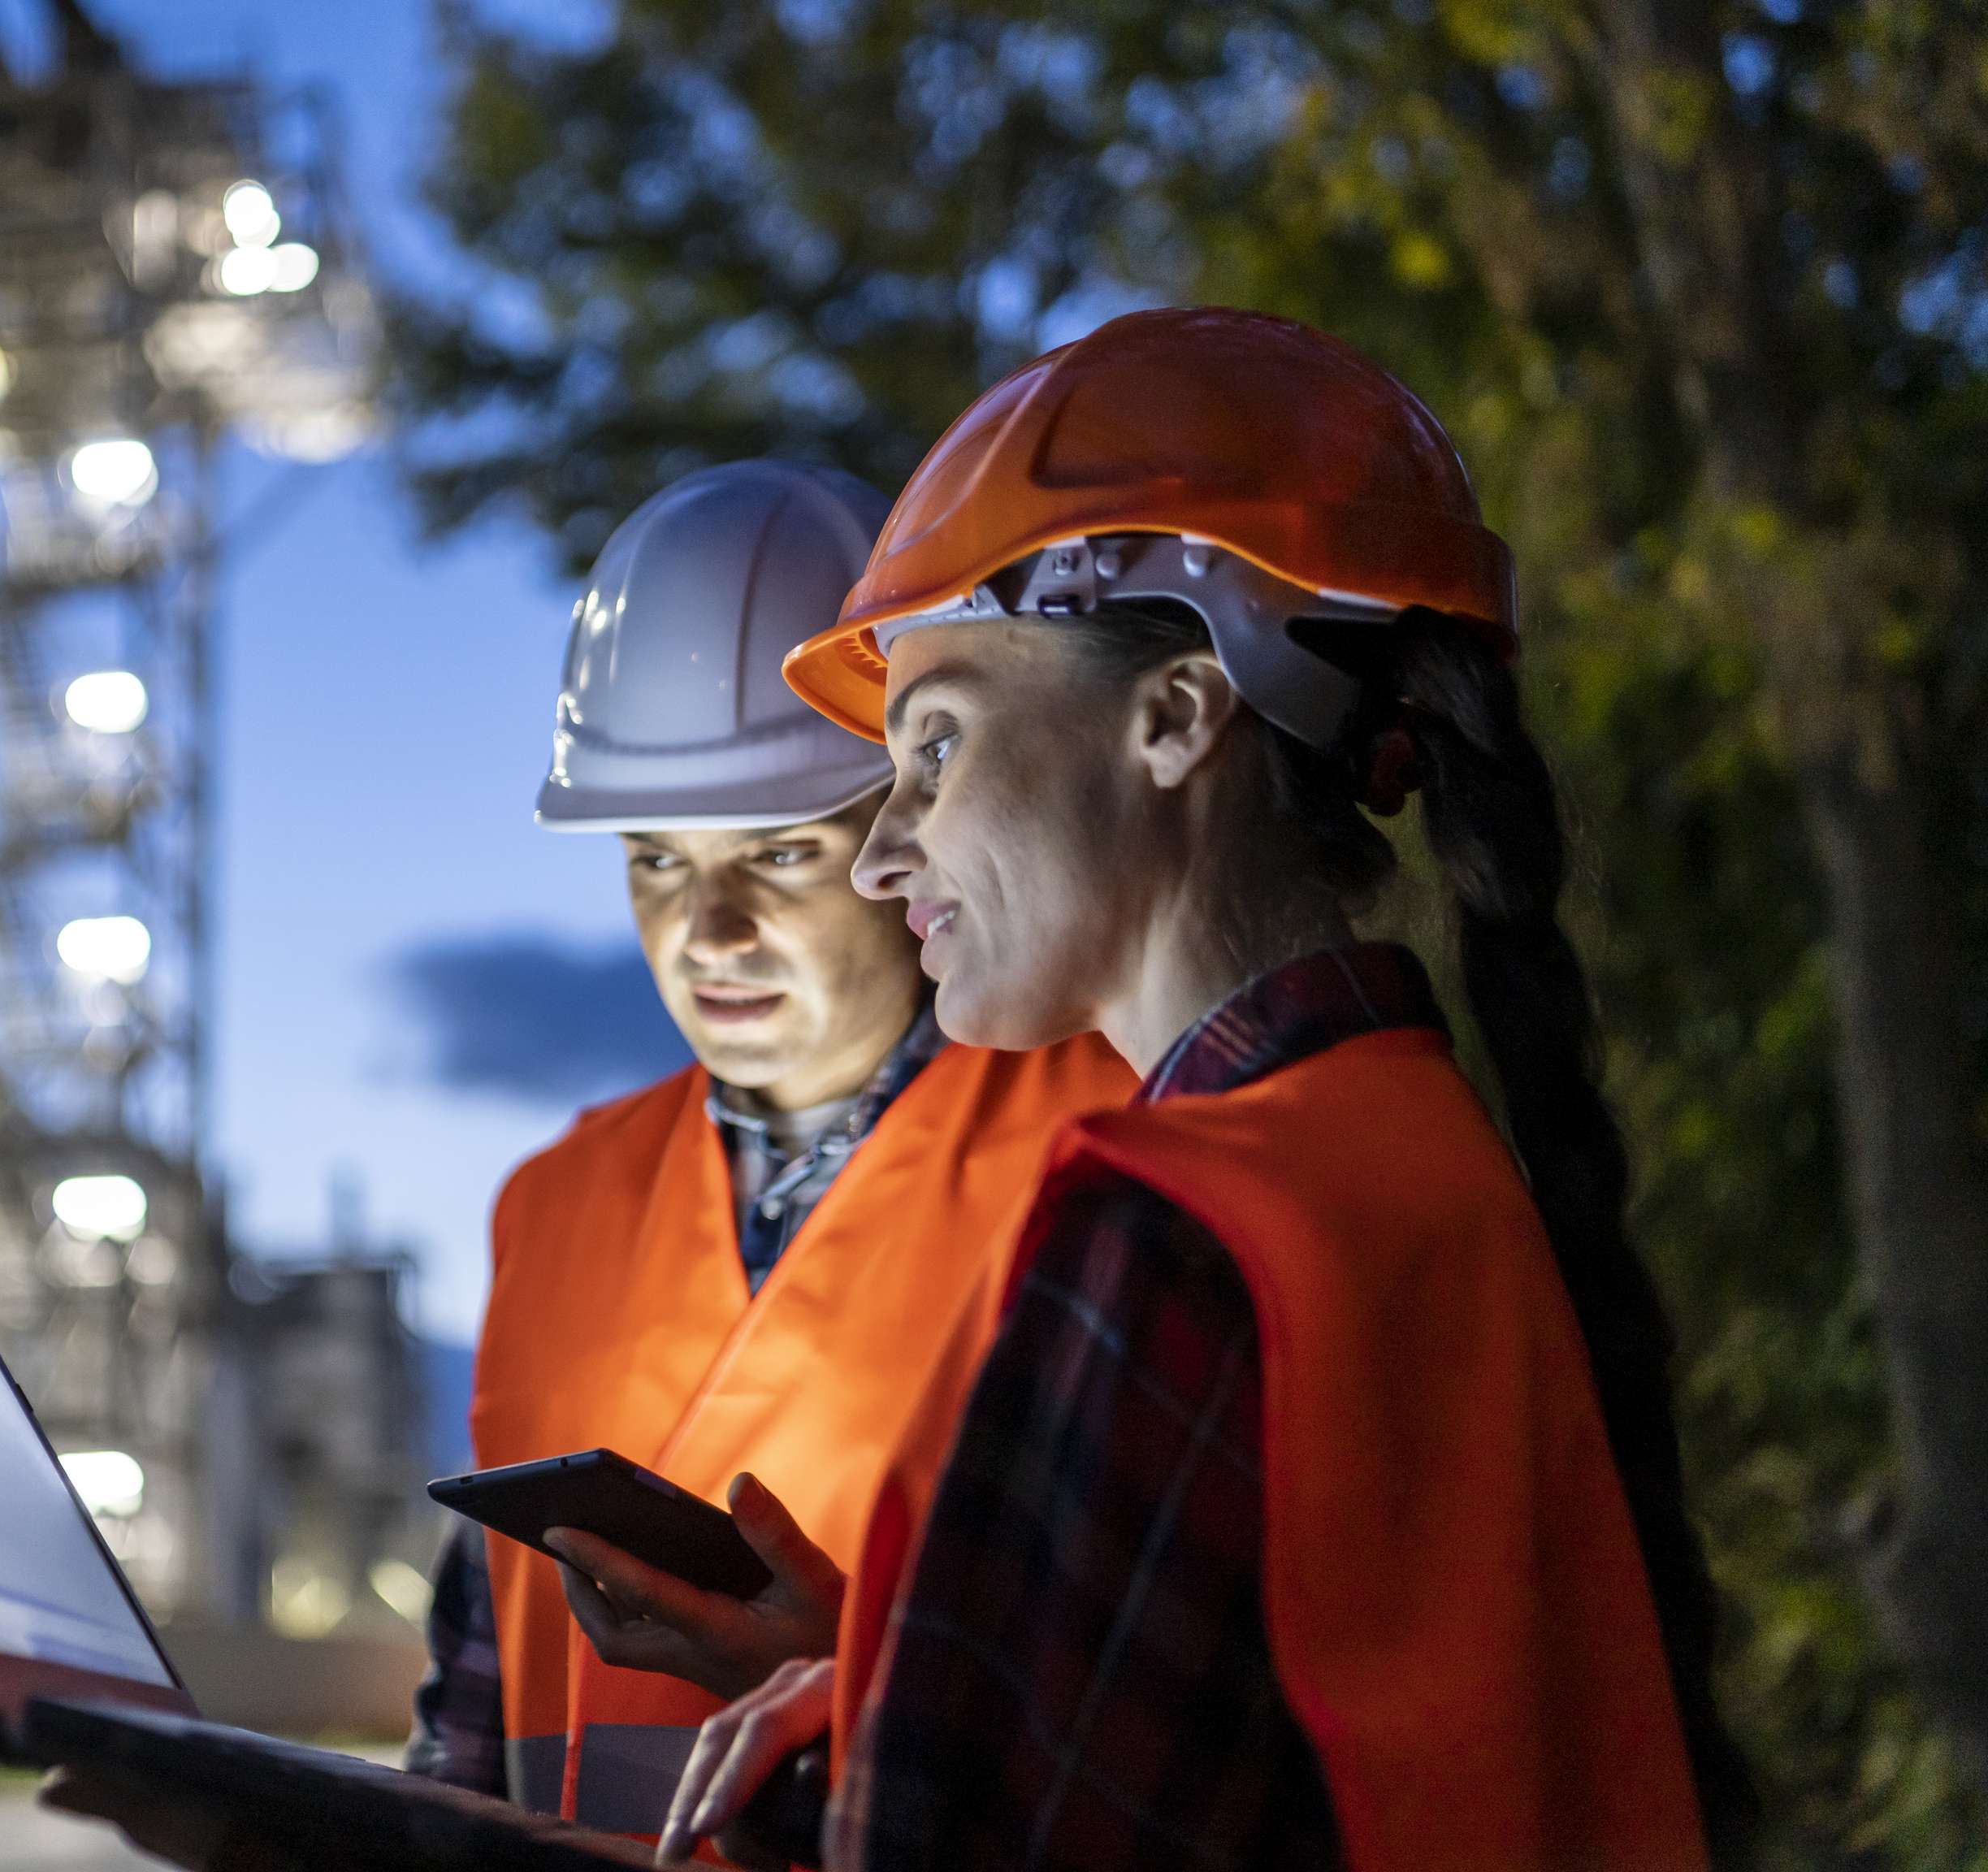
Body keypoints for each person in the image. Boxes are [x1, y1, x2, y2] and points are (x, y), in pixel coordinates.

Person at [656, 310, 1757, 1870]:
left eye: (936, 747)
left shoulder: (1178, 1234)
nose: (884, 851)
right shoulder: (1410, 1169)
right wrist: (903, 1691)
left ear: (1175, 714)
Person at [405, 460, 1134, 1843]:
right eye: (656, 861)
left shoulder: (1108, 1154)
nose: (707, 932)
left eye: (781, 855)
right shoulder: (551, 1207)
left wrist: (850, 1691)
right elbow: (477, 1696)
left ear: (909, 830)